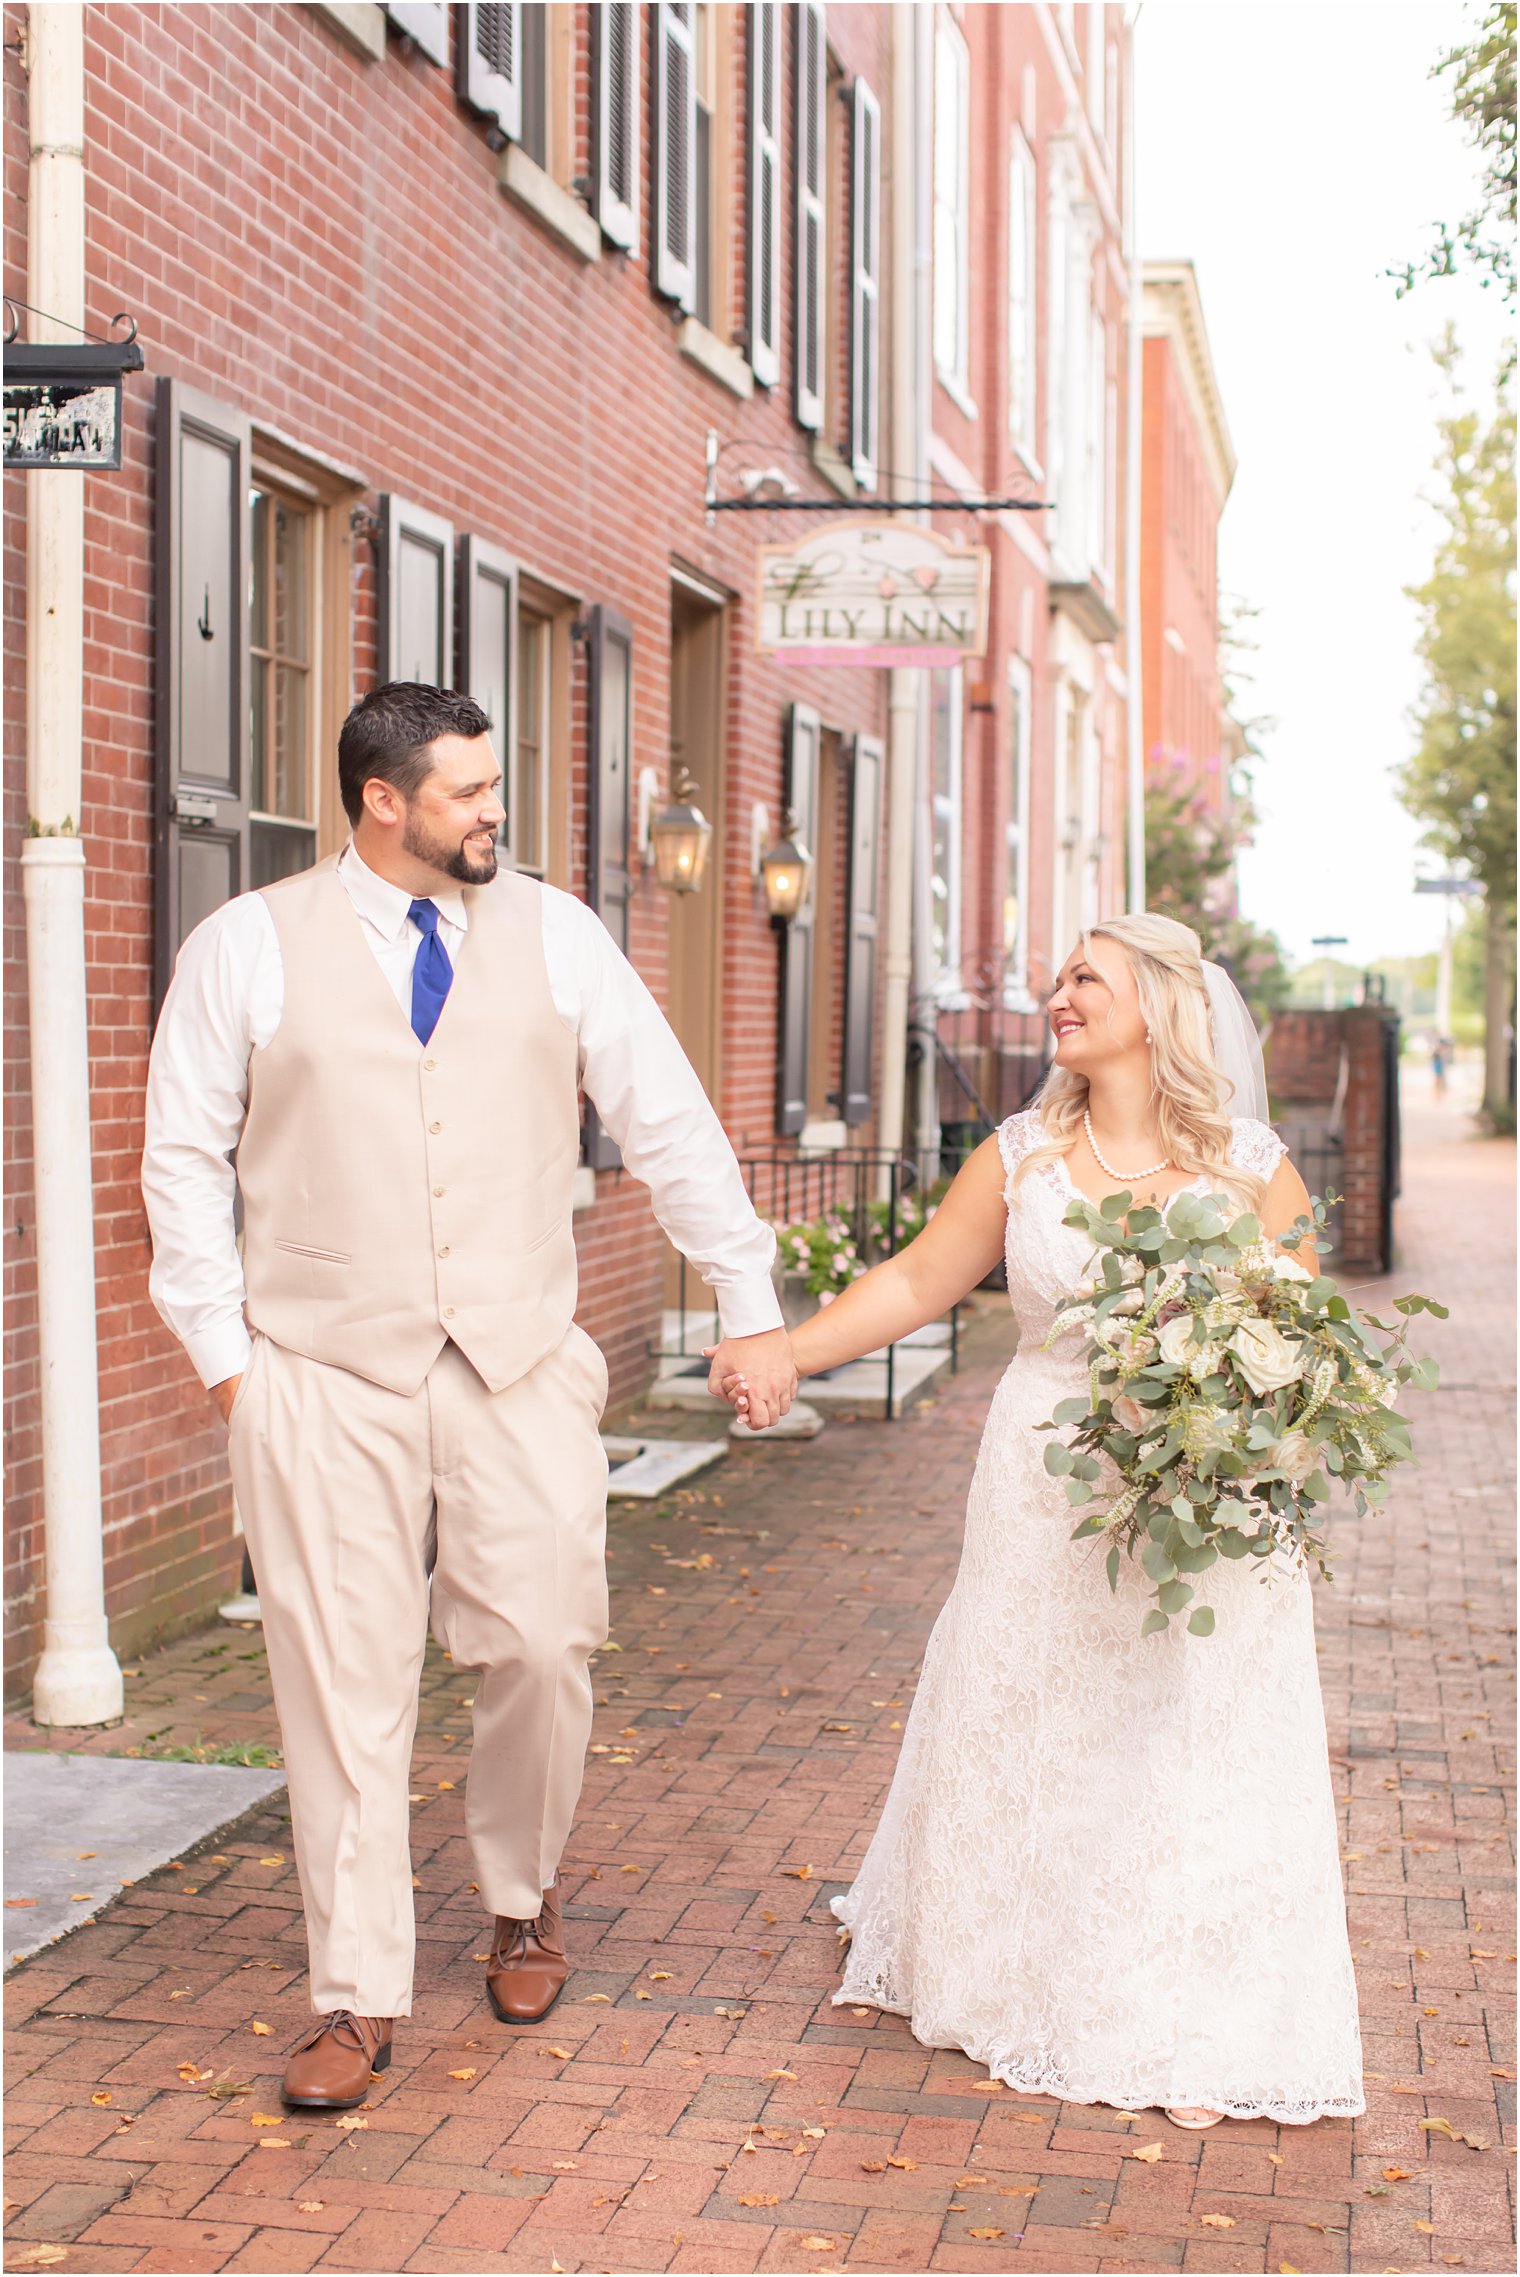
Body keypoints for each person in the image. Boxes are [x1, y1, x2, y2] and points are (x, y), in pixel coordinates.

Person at [142, 682, 798, 2109]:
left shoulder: (558, 934)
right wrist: (229, 1362)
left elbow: (668, 1119)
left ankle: (521, 1891)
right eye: (465, 793)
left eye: (494, 787)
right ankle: (354, 1992)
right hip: (318, 1369)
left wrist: (748, 1302)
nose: (493, 812)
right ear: (383, 801)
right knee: (340, 1684)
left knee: (546, 1638)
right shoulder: (246, 947)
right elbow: (181, 1157)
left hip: (515, 1358)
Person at [715, 914, 1364, 2129]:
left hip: (1196, 1491)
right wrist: (784, 1352)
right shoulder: (1020, 1156)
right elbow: (915, 1280)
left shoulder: (1249, 1165)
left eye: (1082, 978)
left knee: (1179, 1724)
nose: (1052, 995)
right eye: (1056, 977)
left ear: (1158, 1006)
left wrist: (1227, 1416)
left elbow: (1305, 1347)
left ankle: (1173, 1975)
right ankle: (1008, 1957)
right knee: (1035, 1705)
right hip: (1039, 1477)